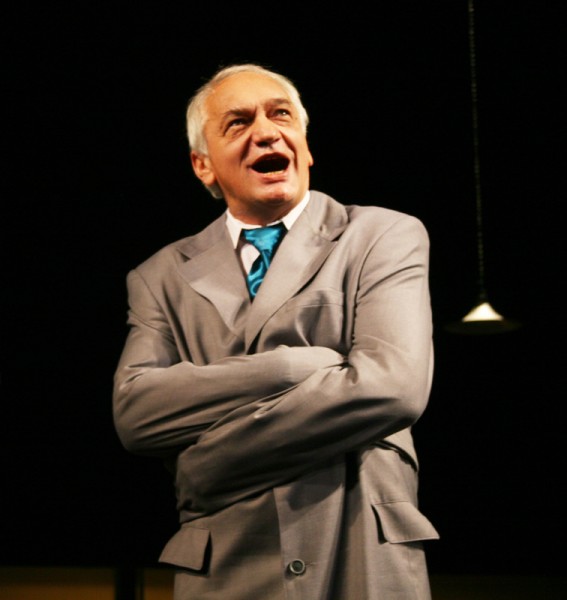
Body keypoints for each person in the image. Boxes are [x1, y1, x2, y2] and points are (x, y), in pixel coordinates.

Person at [113, 63, 439, 600]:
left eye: (280, 115)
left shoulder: (382, 235)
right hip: (228, 563)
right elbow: (136, 413)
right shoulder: (159, 276)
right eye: (238, 123)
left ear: (305, 148)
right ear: (202, 165)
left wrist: (209, 464)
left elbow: (392, 388)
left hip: (358, 548)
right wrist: (297, 366)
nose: (266, 132)